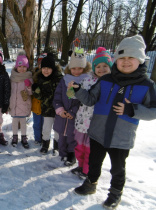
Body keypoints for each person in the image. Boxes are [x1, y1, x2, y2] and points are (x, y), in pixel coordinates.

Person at [70, 35, 156, 209]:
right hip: (97, 132)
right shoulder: (105, 80)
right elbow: (90, 99)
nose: (125, 62)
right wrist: (78, 90)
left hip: (121, 137)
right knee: (94, 162)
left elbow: (154, 111)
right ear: (115, 60)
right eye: (121, 58)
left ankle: (115, 193)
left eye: (130, 57)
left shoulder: (147, 85)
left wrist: (134, 110)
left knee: (117, 168)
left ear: (139, 59)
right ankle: (90, 184)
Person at [71, 47, 113, 179]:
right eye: (98, 66)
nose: (101, 69)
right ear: (94, 67)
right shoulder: (87, 79)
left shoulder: (112, 83)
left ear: (110, 67)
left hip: (96, 123)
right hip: (81, 120)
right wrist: (72, 90)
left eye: (105, 66)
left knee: (90, 149)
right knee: (79, 146)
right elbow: (77, 96)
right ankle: (80, 164)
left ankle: (86, 170)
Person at [53, 47, 91, 166]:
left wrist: (73, 112)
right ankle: (62, 154)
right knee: (61, 137)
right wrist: (60, 109)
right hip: (62, 115)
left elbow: (83, 101)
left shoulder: (86, 81)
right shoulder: (64, 80)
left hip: (75, 117)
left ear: (84, 68)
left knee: (72, 138)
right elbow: (57, 96)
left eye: (80, 68)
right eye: (74, 68)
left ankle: (71, 155)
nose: (76, 71)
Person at [32, 53, 63, 154]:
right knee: (46, 129)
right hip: (46, 109)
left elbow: (63, 93)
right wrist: (35, 90)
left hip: (58, 110)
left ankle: (57, 146)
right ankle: (45, 145)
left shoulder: (59, 79)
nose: (46, 70)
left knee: (57, 130)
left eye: (49, 68)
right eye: (44, 68)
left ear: (53, 68)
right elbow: (39, 96)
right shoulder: (39, 79)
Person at [9, 51, 33, 148]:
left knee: (23, 123)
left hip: (23, 104)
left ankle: (24, 137)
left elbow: (31, 93)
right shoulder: (12, 78)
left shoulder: (29, 78)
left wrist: (29, 86)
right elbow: (9, 90)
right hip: (14, 104)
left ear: (27, 67)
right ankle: (15, 136)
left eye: (24, 67)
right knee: (14, 122)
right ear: (16, 67)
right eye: (20, 66)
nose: (22, 69)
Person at [31, 53, 47, 145]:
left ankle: (45, 139)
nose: (42, 64)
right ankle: (38, 139)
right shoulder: (33, 74)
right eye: (40, 62)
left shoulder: (50, 74)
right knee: (37, 124)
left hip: (46, 105)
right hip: (36, 104)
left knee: (45, 124)